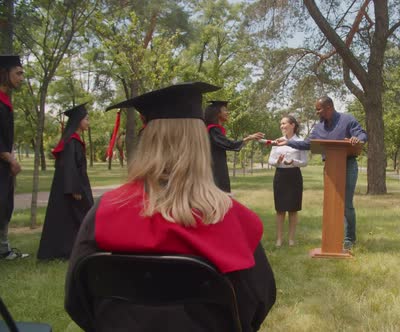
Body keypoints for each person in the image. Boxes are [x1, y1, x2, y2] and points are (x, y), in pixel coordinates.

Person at [65, 82, 276, 332]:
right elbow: (256, 306)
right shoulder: (235, 220)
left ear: (148, 138)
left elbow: (77, 300)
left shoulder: (103, 212)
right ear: (200, 142)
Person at [277, 96, 367, 250]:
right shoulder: (318, 128)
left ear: (329, 107)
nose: (317, 112)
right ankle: (331, 238)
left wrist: (356, 139)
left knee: (346, 204)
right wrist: (288, 142)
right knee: (331, 202)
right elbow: (307, 144)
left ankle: (349, 239)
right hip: (330, 166)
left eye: (319, 109)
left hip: (348, 164)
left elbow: (362, 135)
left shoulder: (347, 119)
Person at [37, 103, 93, 260]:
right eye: (86, 119)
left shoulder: (73, 141)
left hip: (76, 185)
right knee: (79, 216)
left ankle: (73, 248)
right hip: (73, 187)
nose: (88, 122)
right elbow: (68, 167)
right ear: (78, 121)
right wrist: (74, 188)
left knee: (73, 218)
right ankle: (73, 249)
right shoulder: (71, 142)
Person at [204, 100, 264, 193]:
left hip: (216, 166)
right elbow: (229, 144)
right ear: (217, 113)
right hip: (215, 169)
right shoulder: (213, 130)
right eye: (225, 110)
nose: (228, 113)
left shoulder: (215, 130)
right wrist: (248, 138)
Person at [0, 55, 27, 260]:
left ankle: (3, 248)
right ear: (4, 73)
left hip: (3, 165)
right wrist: (10, 158)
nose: (21, 77)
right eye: (18, 73)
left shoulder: (5, 101)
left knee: (5, 204)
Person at [268, 115, 308, 247]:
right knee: (280, 209)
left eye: (284, 123)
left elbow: (304, 162)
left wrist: (293, 162)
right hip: (280, 176)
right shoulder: (277, 141)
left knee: (293, 209)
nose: (281, 126)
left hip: (294, 176)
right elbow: (270, 160)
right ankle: (279, 239)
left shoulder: (301, 142)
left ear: (292, 125)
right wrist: (277, 161)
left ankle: (291, 239)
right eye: (281, 124)